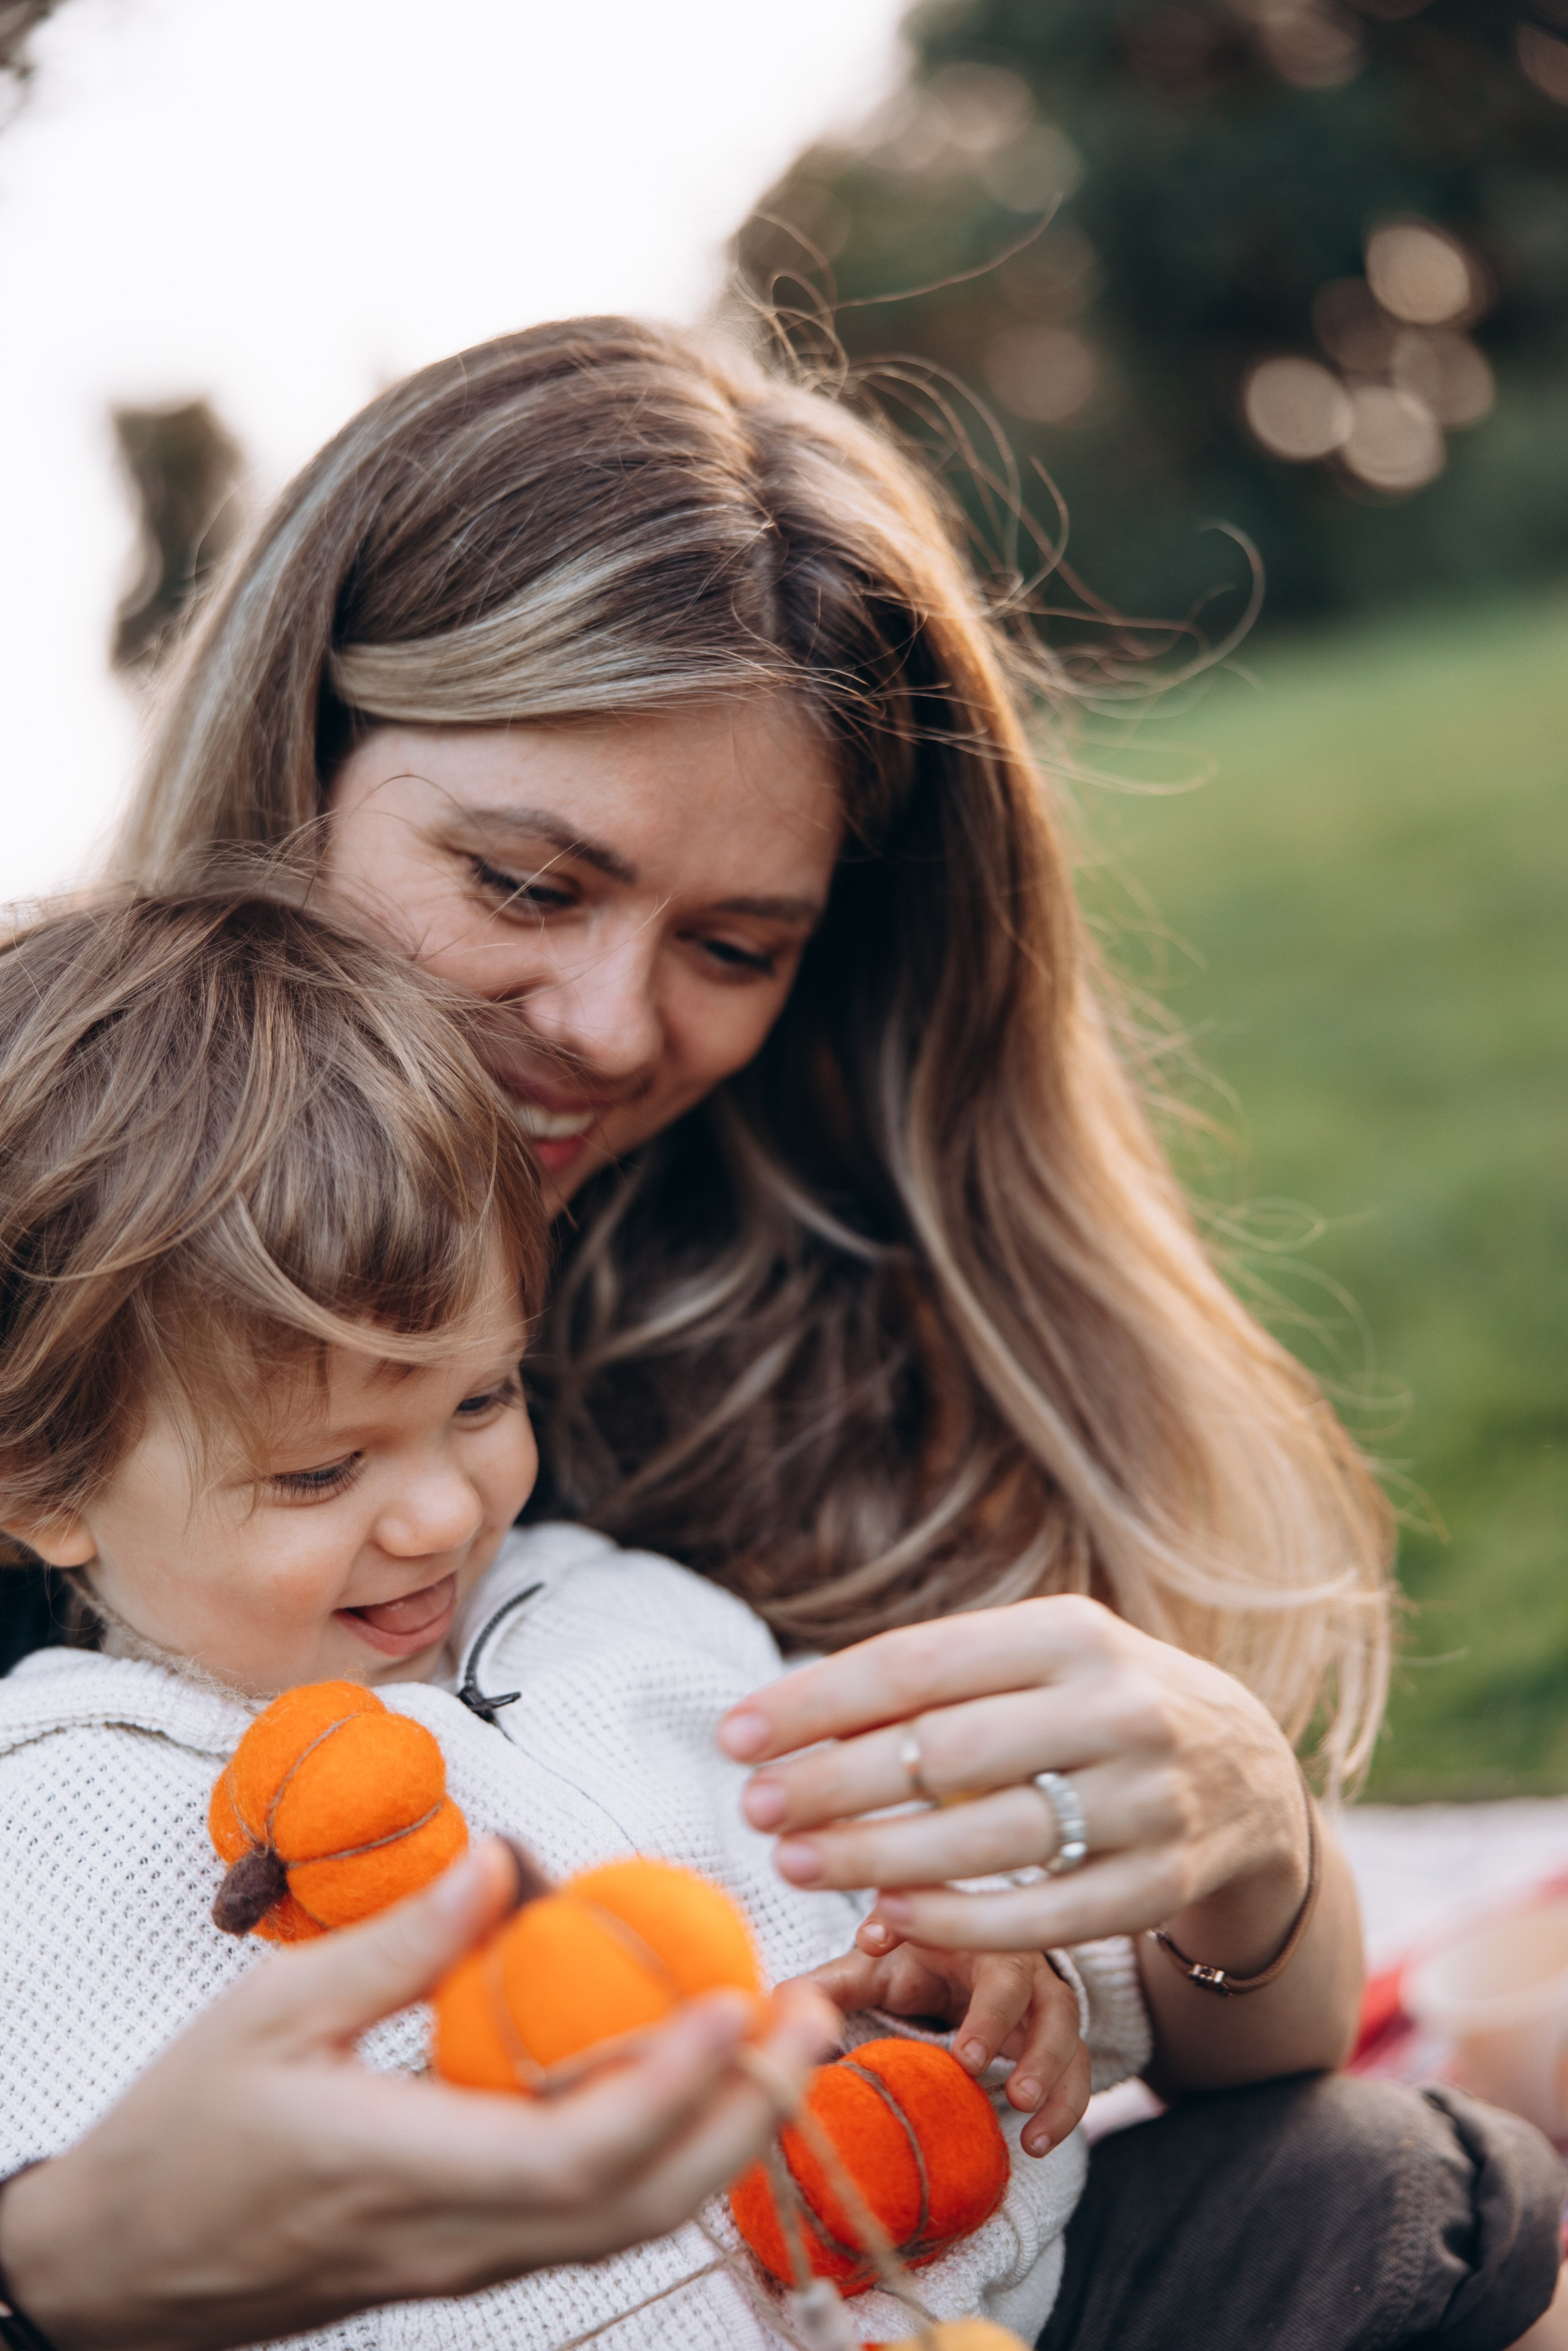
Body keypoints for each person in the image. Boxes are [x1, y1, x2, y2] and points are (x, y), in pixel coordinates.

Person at [1, 316, 1561, 2348]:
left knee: (1411, 2178)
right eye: (521, 877)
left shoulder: (787, 1333)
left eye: (736, 944)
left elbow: (1212, 2055)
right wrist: (75, 2267)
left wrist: (1245, 1850)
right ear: (301, 757)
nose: (613, 1024)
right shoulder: (65, 1406)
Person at [0, 886, 1129, 2350]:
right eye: (318, 1468)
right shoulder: (50, 1824)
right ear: (45, 1479)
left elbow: (950, 1853)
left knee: (1396, 2191)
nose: (442, 1513)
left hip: (1013, 2297)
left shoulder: (627, 1614)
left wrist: (969, 1943)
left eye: (480, 1397)